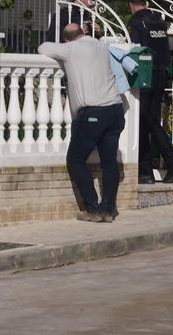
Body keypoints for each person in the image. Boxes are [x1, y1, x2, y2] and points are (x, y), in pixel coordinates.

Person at [38, 23, 125, 222]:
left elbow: (43, 48)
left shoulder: (70, 49)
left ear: (66, 39)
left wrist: (64, 47)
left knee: (75, 160)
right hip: (115, 109)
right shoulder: (102, 46)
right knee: (109, 161)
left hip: (93, 112)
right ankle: (108, 209)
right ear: (83, 32)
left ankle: (93, 209)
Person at [127, 0, 173, 184]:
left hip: (145, 74)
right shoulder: (158, 21)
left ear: (131, 5)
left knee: (142, 121)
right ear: (146, 3)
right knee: (150, 121)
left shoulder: (137, 21)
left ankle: (146, 171)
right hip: (161, 75)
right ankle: (170, 163)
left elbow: (134, 47)